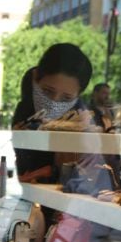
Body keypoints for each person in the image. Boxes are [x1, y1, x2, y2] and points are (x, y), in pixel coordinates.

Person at [12, 43, 101, 183]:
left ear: (78, 95)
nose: (54, 102)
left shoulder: (84, 125)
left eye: (66, 98)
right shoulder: (25, 111)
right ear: (36, 78)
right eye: (47, 91)